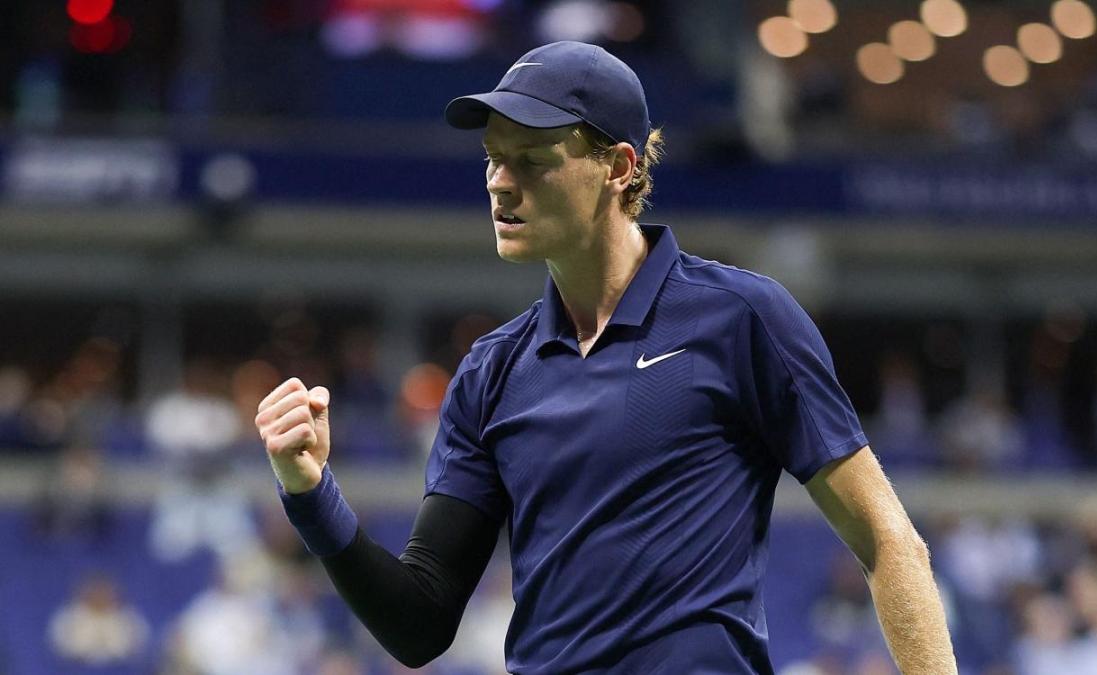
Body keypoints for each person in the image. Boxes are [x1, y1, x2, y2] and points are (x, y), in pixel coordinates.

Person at [254, 41, 956, 674]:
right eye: (493, 157)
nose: (500, 181)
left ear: (618, 167)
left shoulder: (743, 318)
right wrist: (312, 494)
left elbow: (888, 541)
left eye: (532, 160)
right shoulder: (490, 374)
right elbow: (418, 624)